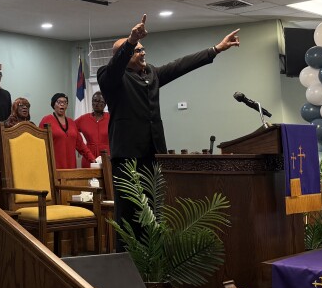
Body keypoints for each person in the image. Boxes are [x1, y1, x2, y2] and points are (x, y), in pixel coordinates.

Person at [97, 14, 240, 250]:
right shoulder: (110, 77)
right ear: (123, 56)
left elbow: (179, 65)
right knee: (129, 212)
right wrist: (131, 39)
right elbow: (115, 67)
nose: (143, 53)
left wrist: (215, 50)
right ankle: (127, 260)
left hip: (154, 154)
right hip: (128, 156)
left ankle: (153, 256)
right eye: (137, 50)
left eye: (143, 49)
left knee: (154, 209)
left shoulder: (150, 74)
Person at [39, 93, 95, 169]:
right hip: (54, 169)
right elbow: (40, 145)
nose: (62, 104)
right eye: (59, 102)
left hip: (71, 169)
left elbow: (81, 145)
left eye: (65, 102)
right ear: (53, 104)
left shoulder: (71, 122)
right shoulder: (46, 120)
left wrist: (93, 159)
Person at [75, 91, 110, 168]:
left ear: (105, 104)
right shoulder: (83, 119)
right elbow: (71, 130)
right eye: (95, 101)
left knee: (107, 179)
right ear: (92, 103)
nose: (97, 104)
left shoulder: (111, 118)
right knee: (88, 179)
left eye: (101, 101)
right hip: (88, 156)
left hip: (107, 156)